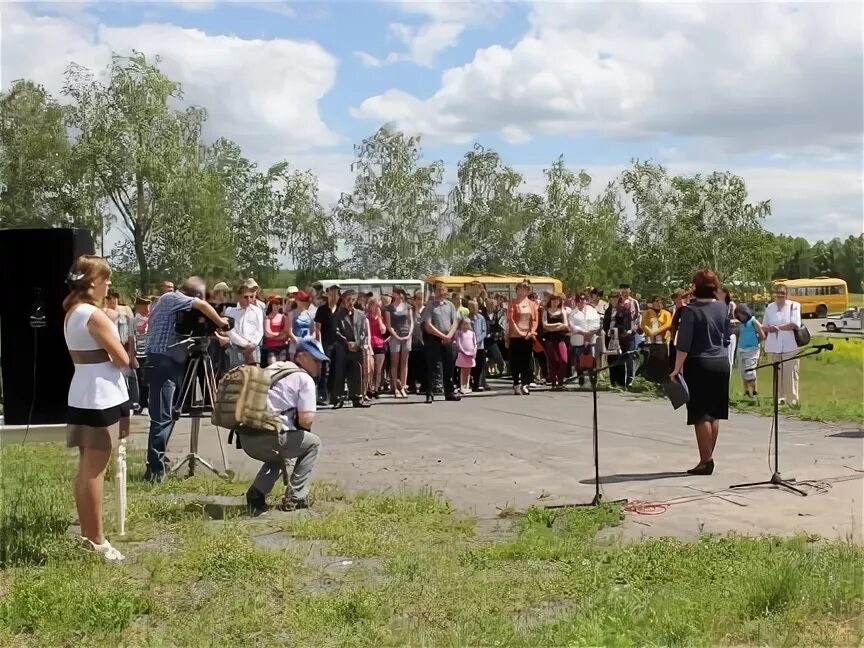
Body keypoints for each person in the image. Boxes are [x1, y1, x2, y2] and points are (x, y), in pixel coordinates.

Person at [64, 255, 130, 562]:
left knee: (86, 470)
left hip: (83, 392)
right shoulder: (93, 314)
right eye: (106, 279)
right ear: (93, 282)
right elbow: (122, 358)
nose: (109, 284)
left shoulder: (72, 311)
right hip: (101, 396)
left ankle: (89, 535)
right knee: (94, 471)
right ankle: (96, 540)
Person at [145, 276, 228, 482]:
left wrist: (215, 334)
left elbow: (189, 332)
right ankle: (155, 470)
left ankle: (158, 462)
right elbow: (198, 305)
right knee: (162, 419)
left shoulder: (174, 309)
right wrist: (221, 322)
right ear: (196, 295)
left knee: (167, 415)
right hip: (163, 362)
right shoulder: (172, 298)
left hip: (168, 362)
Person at [242, 337, 327, 516]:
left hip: (246, 436)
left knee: (280, 455)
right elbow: (306, 421)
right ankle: (296, 497)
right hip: (270, 438)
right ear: (302, 356)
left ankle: (256, 495)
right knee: (313, 443)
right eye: (316, 360)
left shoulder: (275, 367)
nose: (319, 366)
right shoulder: (304, 379)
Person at [669, 269, 730, 475]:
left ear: (696, 286)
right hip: (721, 361)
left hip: (700, 363)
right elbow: (726, 335)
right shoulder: (722, 307)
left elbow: (683, 345)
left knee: (700, 414)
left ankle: (706, 460)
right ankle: (708, 457)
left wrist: (676, 369)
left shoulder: (691, 311)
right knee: (714, 412)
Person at [761, 285, 802, 406]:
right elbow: (764, 325)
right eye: (778, 293)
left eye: (782, 293)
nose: (780, 295)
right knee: (776, 374)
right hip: (773, 346)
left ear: (787, 294)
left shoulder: (794, 306)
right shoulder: (770, 307)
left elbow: (795, 323)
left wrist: (778, 328)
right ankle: (778, 399)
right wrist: (768, 329)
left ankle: (792, 401)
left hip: (790, 345)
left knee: (790, 373)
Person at [421, 281, 460, 403]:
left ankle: (449, 392)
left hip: (447, 339)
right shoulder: (430, 305)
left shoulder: (450, 305)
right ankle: (429, 392)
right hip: (433, 339)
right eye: (438, 290)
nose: (441, 292)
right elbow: (427, 325)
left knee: (449, 366)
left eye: (443, 290)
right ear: (434, 291)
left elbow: (455, 322)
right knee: (432, 366)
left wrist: (449, 336)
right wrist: (442, 335)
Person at [333, 290, 370, 408]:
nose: (350, 302)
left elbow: (364, 332)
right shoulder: (338, 315)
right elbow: (336, 331)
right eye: (348, 299)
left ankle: (357, 397)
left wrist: (357, 343)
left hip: (356, 349)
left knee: (357, 373)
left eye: (352, 299)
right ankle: (338, 398)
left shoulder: (361, 314)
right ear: (343, 300)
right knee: (340, 373)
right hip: (343, 349)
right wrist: (347, 343)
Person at [508, 282, 538, 395]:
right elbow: (511, 320)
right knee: (515, 361)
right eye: (521, 288)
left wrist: (531, 331)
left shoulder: (532, 304)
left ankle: (525, 383)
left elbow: (535, 320)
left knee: (527, 361)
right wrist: (519, 332)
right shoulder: (513, 303)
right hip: (515, 335)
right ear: (517, 290)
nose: (523, 291)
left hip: (528, 335)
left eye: (526, 289)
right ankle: (516, 383)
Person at [385, 288, 413, 398]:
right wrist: (395, 335)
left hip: (406, 335)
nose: (398, 295)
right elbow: (388, 324)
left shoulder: (408, 306)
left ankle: (403, 386)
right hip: (395, 336)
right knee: (394, 362)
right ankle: (395, 388)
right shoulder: (389, 308)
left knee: (404, 363)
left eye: (400, 293)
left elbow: (411, 322)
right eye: (396, 293)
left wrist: (409, 334)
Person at [568, 293, 601, 387]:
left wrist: (590, 332)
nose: (582, 302)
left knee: (591, 361)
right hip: (578, 340)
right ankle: (581, 380)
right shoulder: (573, 313)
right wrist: (583, 332)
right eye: (580, 300)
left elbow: (596, 323)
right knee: (579, 361)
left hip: (590, 339)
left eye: (584, 300)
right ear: (577, 301)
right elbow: (572, 326)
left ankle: (592, 380)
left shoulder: (592, 311)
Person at [734, 304, 764, 398]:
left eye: (741, 314)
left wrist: (755, 342)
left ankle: (754, 391)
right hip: (741, 349)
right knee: (743, 371)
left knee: (750, 371)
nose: (740, 317)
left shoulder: (753, 321)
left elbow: (762, 335)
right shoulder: (741, 324)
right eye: (738, 315)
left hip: (752, 350)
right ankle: (746, 391)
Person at [641, 295, 673, 384]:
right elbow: (643, 324)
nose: (658, 303)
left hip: (662, 342)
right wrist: (649, 331)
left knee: (662, 361)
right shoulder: (647, 313)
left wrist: (657, 331)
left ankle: (662, 381)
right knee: (651, 360)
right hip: (650, 341)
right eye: (656, 301)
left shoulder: (666, 313)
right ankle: (652, 380)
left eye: (660, 301)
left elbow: (668, 324)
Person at [541, 292, 569, 390]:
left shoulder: (563, 311)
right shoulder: (546, 311)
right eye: (553, 300)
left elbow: (565, 325)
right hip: (549, 339)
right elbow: (545, 325)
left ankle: (560, 380)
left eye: (557, 300)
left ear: (559, 301)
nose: (554, 302)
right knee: (552, 360)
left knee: (564, 359)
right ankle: (554, 381)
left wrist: (553, 327)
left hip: (560, 338)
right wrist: (558, 325)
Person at [468, 300, 488, 392]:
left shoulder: (481, 318)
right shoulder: (467, 319)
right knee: (471, 365)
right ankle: (470, 382)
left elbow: (484, 331)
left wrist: (477, 340)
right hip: (469, 346)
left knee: (480, 365)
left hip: (480, 346)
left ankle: (477, 383)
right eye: (473, 307)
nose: (475, 309)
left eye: (476, 307)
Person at [454, 317, 477, 393]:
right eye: (464, 324)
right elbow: (458, 343)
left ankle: (466, 386)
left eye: (468, 324)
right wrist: (463, 351)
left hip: (470, 355)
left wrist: (474, 351)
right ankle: (462, 386)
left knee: (468, 371)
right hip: (463, 354)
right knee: (463, 371)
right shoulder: (459, 332)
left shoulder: (472, 333)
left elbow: (475, 343)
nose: (466, 325)